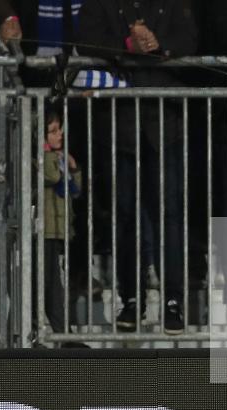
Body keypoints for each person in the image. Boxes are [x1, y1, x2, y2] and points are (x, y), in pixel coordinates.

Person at [78, 0, 198, 335]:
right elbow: (85, 40)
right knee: (124, 215)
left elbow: (190, 40)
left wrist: (159, 44)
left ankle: (173, 300)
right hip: (119, 125)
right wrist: (127, 45)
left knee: (170, 215)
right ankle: (131, 298)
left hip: (165, 123)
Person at [41, 109, 82, 337]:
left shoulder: (59, 158)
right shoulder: (41, 159)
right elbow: (52, 176)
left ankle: (63, 332)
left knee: (50, 284)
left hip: (57, 230)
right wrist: (48, 154)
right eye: (53, 131)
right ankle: (64, 333)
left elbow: (74, 190)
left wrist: (73, 168)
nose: (60, 135)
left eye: (61, 130)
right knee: (50, 285)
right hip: (44, 231)